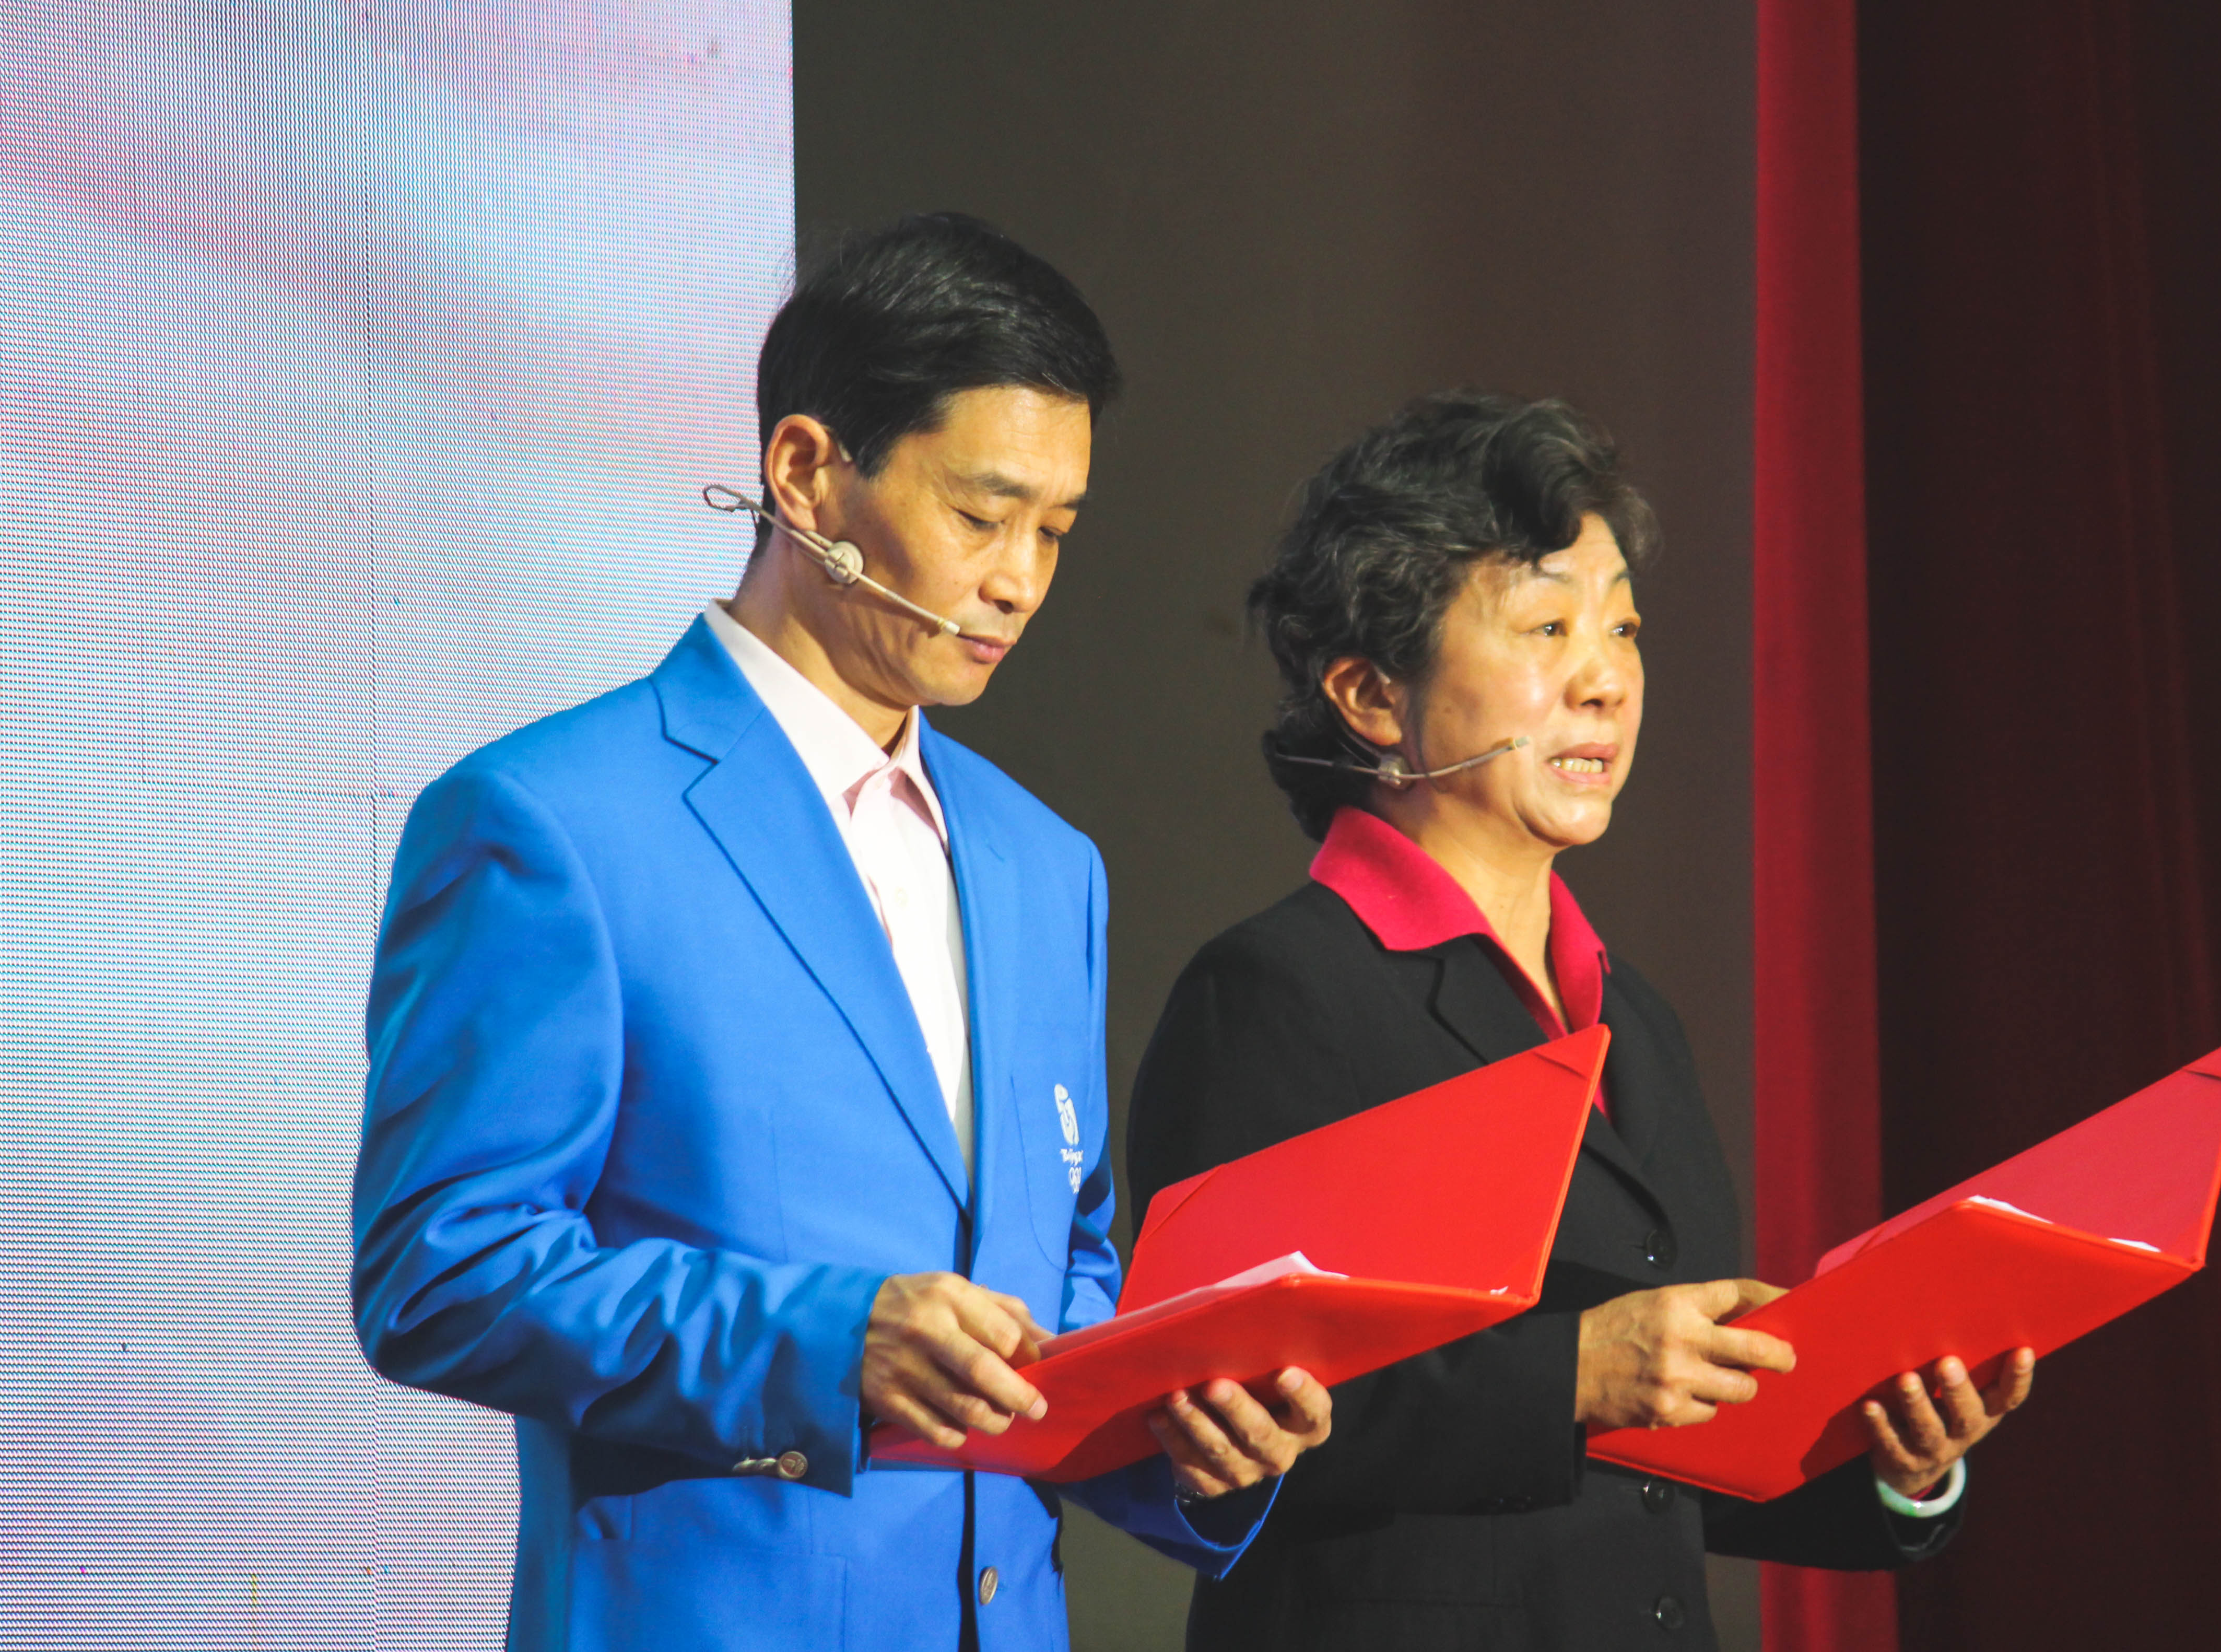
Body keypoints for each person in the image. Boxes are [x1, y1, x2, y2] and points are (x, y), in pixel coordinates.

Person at [352, 213, 1331, 1652]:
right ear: (806, 470)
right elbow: (441, 1268)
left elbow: (1065, 1267)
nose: (1021, 579)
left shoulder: (1045, 864)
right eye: (983, 516)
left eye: (1057, 531)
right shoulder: (550, 819)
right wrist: (822, 1342)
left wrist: (1178, 1425)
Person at [1126, 391, 2034, 1652]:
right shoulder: (1274, 992)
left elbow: (1667, 1459)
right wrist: (1574, 1374)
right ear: (1371, 694)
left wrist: (1893, 1457)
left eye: (1621, 627)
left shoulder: (1633, 1017)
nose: (1605, 680)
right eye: (1547, 627)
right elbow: (1202, 1420)